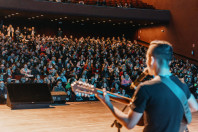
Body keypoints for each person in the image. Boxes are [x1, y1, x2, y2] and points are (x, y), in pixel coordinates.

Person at [96, 40, 198, 132]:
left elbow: (129, 124)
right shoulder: (182, 85)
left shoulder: (146, 88)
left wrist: (108, 104)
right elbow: (194, 107)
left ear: (152, 60)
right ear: (169, 61)